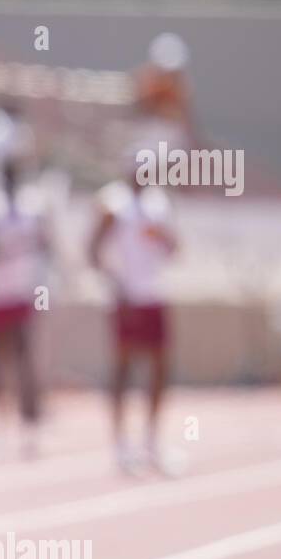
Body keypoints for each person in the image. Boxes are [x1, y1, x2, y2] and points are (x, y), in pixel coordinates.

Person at [88, 150, 178, 476]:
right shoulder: (113, 203)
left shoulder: (159, 203)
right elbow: (92, 251)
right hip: (127, 297)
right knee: (123, 369)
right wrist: (116, 286)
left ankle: (151, 442)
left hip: (154, 294)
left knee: (159, 368)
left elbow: (175, 248)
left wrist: (164, 237)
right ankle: (120, 445)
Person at [0, 103, 49, 459]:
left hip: (21, 290)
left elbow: (46, 245)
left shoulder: (33, 205)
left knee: (25, 360)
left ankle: (30, 426)